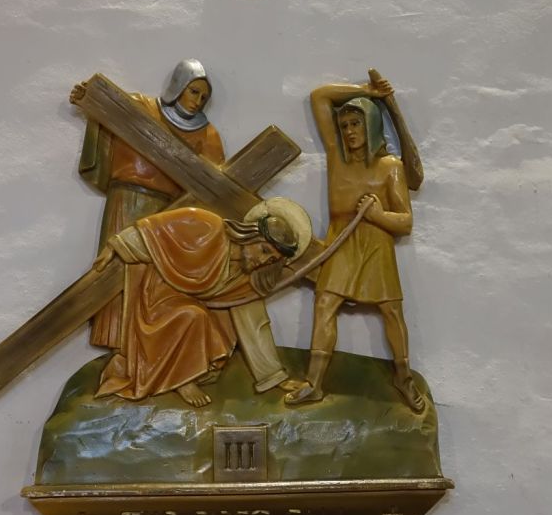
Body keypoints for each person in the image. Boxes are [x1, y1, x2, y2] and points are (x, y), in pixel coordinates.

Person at [285, 78, 425, 413]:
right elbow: (320, 96)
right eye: (344, 125)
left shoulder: (390, 167)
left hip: (376, 245)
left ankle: (403, 378)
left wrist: (378, 215)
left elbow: (405, 222)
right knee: (325, 304)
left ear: (371, 125)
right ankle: (314, 383)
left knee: (391, 311)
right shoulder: (338, 157)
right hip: (341, 241)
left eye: (356, 123)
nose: (348, 131)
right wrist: (368, 92)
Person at [91, 200, 312, 408]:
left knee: (211, 320)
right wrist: (116, 245)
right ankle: (183, 381)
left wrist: (274, 377)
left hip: (186, 309)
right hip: (155, 299)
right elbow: (157, 232)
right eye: (264, 250)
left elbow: (254, 323)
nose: (262, 261)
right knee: (194, 315)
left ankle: (187, 373)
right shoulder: (207, 227)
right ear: (250, 234)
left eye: (271, 260)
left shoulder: (243, 277)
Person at [70, 59, 224, 348]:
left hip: (168, 214)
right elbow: (105, 106)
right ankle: (115, 340)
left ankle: (145, 346)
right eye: (194, 91)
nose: (198, 101)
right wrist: (87, 100)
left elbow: (216, 184)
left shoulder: (208, 134)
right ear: (178, 86)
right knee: (115, 269)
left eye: (204, 97)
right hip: (125, 199)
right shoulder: (142, 107)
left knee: (152, 279)